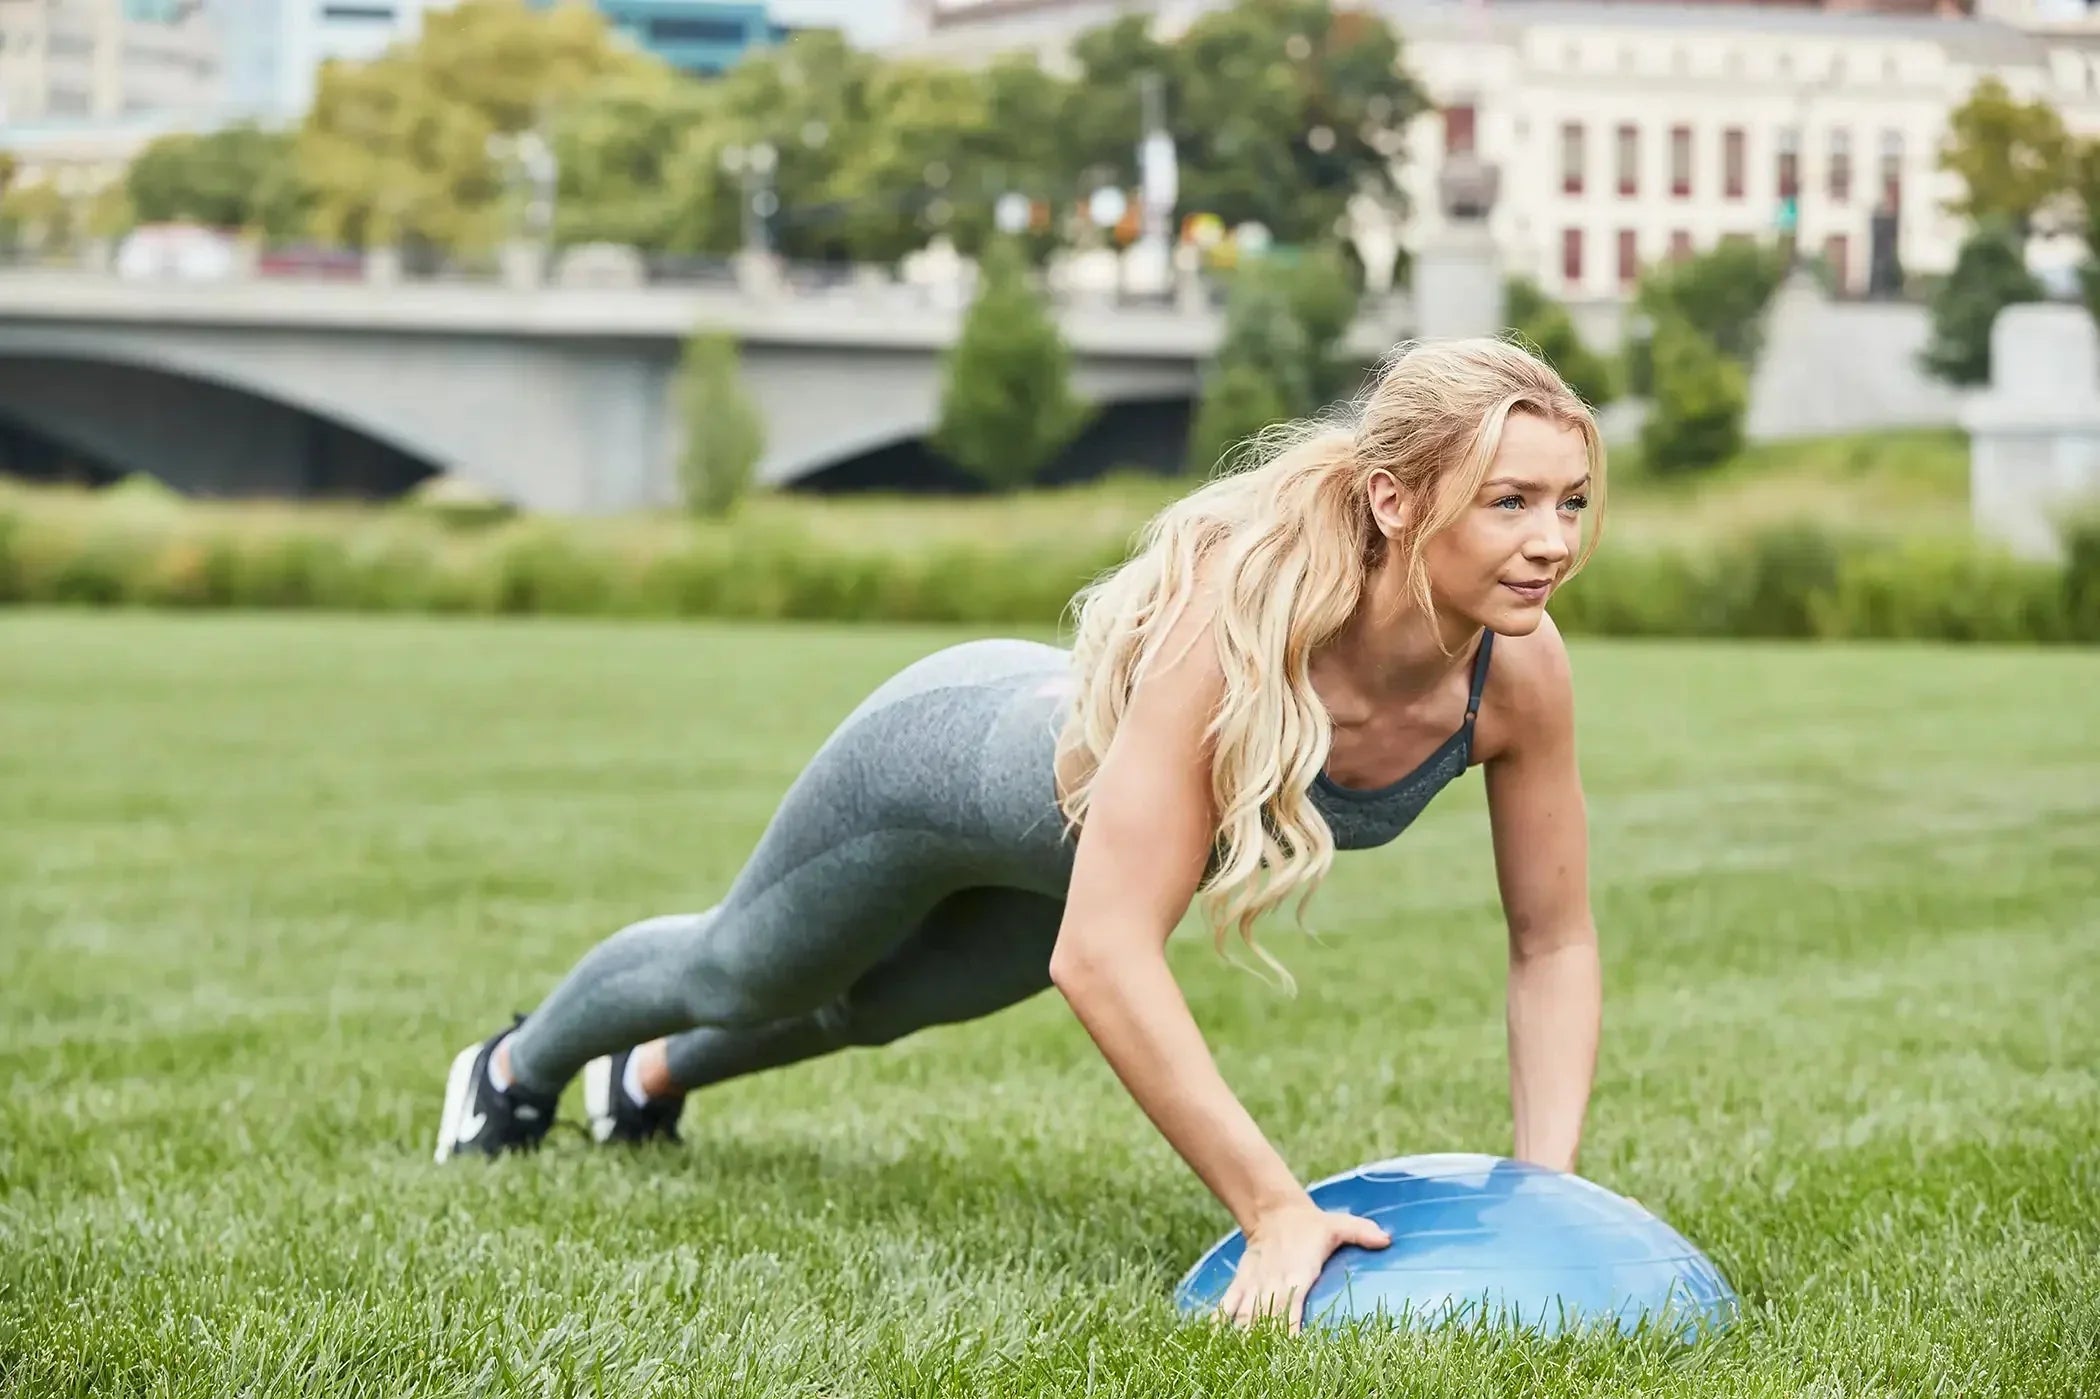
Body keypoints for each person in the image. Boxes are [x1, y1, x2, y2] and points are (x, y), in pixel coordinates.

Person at [432, 337, 1607, 1334]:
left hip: (1061, 862)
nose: (1552, 540)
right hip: (943, 762)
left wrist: (1544, 1201)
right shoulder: (1245, 620)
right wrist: (1273, 1208)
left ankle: (645, 1077)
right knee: (741, 967)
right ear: (1396, 500)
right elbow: (1102, 954)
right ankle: (513, 1070)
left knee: (874, 1009)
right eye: (1509, 501)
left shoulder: (1517, 674)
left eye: (1571, 501)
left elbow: (1551, 941)